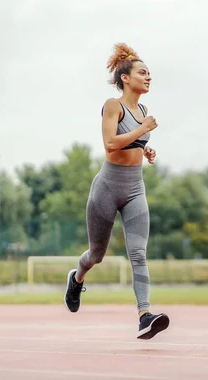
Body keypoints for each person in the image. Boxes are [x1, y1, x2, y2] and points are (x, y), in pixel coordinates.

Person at [63, 42, 169, 340]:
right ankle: (77, 277)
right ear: (126, 77)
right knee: (97, 254)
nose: (149, 78)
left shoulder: (143, 109)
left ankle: (144, 315)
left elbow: (131, 140)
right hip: (108, 187)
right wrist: (142, 131)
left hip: (135, 187)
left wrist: (144, 148)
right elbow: (110, 143)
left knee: (138, 253)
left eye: (150, 74)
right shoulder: (113, 106)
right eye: (143, 73)